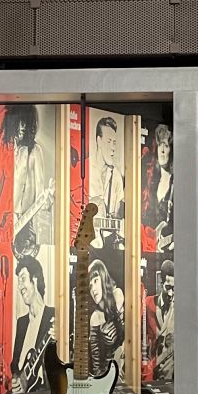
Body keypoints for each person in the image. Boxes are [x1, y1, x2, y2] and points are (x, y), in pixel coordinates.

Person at [0, 106, 52, 257]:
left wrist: (45, 202)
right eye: (20, 121)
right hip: (7, 218)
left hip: (26, 219)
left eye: (26, 122)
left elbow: (40, 188)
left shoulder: (35, 150)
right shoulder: (7, 149)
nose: (22, 126)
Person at [11, 255, 55, 394]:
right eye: (18, 282)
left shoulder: (54, 316)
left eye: (23, 279)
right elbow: (15, 363)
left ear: (34, 280)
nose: (20, 287)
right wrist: (16, 379)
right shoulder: (22, 322)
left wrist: (59, 340)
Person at [92, 115, 125, 251]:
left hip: (108, 247)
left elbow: (118, 214)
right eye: (109, 141)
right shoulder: (86, 170)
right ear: (99, 141)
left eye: (114, 143)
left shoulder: (116, 176)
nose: (113, 148)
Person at [88, 258, 125, 374]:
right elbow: (96, 361)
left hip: (126, 366)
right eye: (89, 286)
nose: (93, 289)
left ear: (103, 278)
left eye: (95, 281)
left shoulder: (117, 295)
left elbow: (126, 333)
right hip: (108, 372)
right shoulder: (94, 318)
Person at [143, 123, 174, 253]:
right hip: (148, 245)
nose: (162, 150)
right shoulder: (150, 178)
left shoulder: (176, 182)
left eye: (166, 146)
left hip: (168, 249)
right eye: (160, 144)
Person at [150, 259, 175, 382]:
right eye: (168, 287)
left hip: (170, 377)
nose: (171, 293)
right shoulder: (149, 304)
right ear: (161, 282)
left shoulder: (178, 308)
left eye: (174, 288)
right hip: (150, 373)